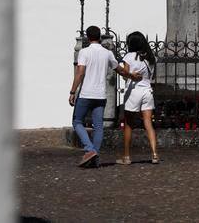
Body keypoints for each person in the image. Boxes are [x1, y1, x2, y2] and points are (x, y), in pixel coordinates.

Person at [69, 25, 139, 168]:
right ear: (99, 37)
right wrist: (132, 75)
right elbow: (119, 69)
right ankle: (95, 156)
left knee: (77, 122)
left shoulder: (84, 52)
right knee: (99, 126)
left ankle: (89, 149)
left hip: (86, 94)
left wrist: (72, 91)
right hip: (101, 94)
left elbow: (80, 72)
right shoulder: (107, 53)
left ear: (88, 38)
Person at [116, 31, 160, 165]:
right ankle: (154, 154)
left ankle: (127, 156)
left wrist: (130, 75)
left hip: (133, 91)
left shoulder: (129, 56)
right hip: (147, 91)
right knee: (148, 123)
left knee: (129, 125)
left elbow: (125, 75)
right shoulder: (151, 58)